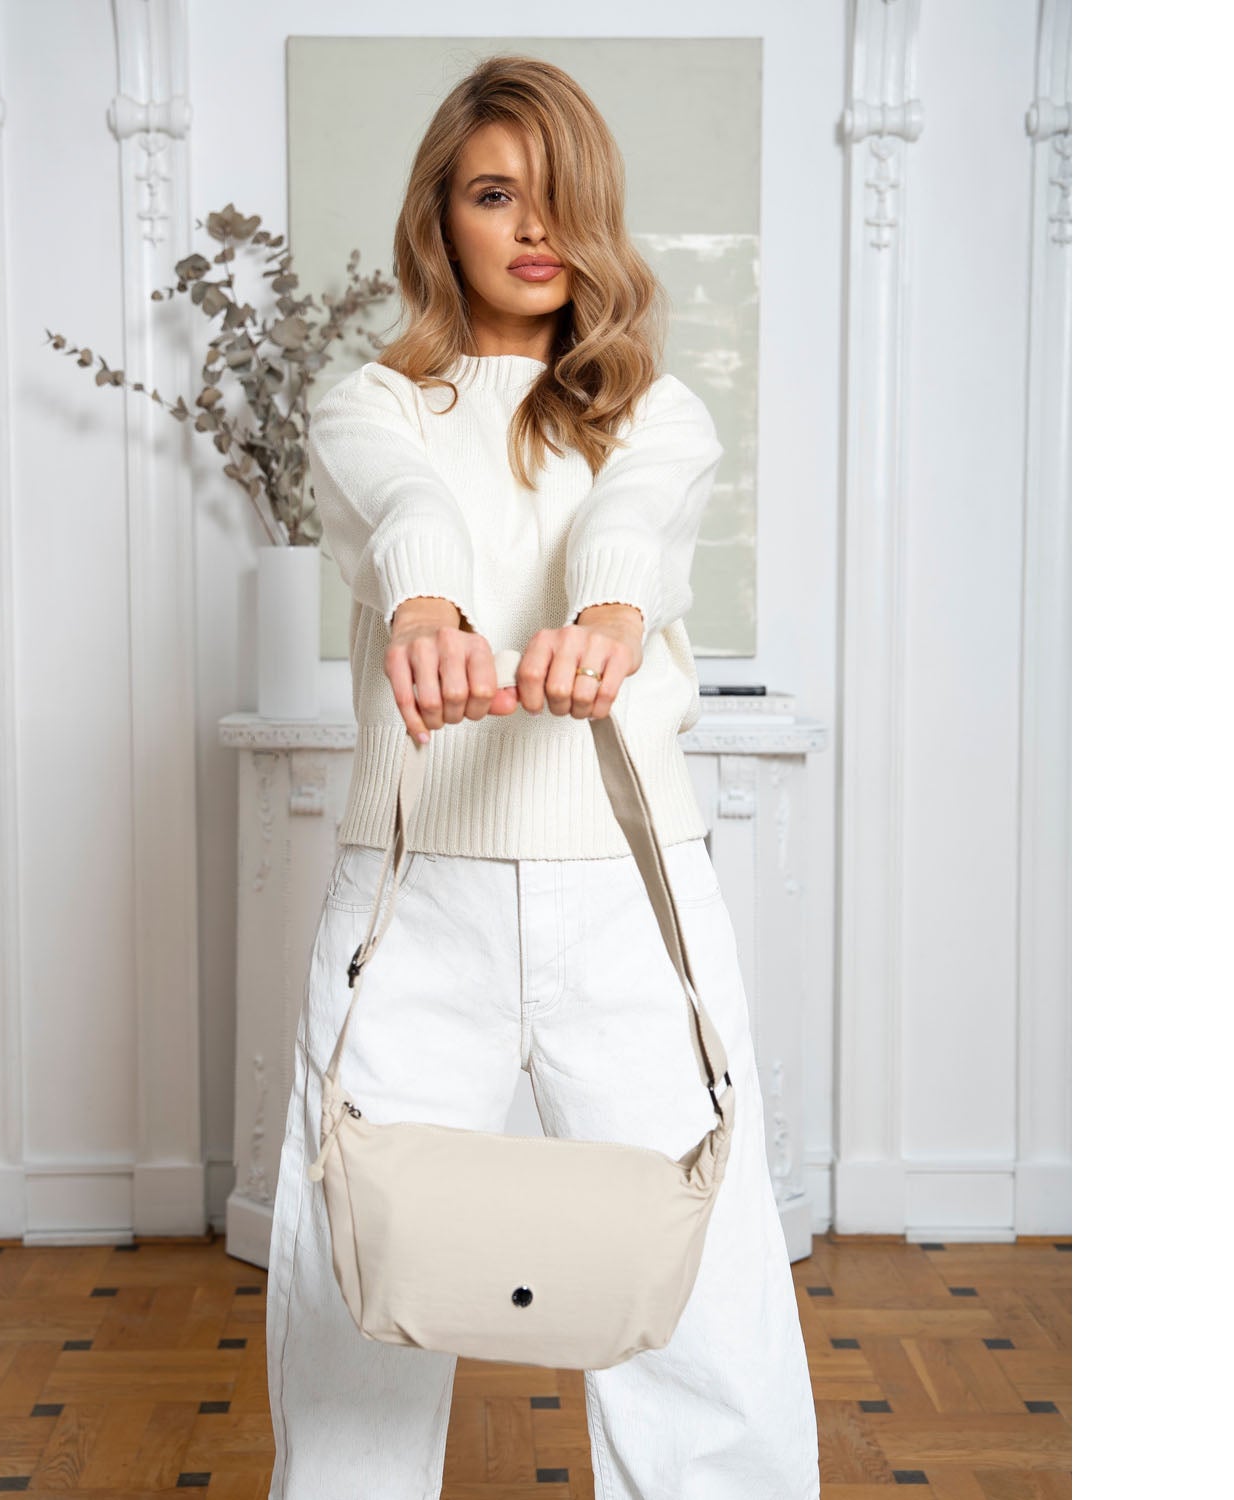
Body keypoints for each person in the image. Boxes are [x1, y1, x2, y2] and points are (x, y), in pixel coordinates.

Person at [265, 53, 821, 1500]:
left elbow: (631, 524)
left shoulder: (660, 411)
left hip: (630, 897)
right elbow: (405, 509)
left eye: (560, 195)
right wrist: (427, 611)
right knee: (354, 1270)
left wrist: (610, 621)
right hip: (416, 898)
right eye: (494, 194)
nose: (533, 228)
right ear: (437, 217)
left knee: (704, 1274)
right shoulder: (369, 402)